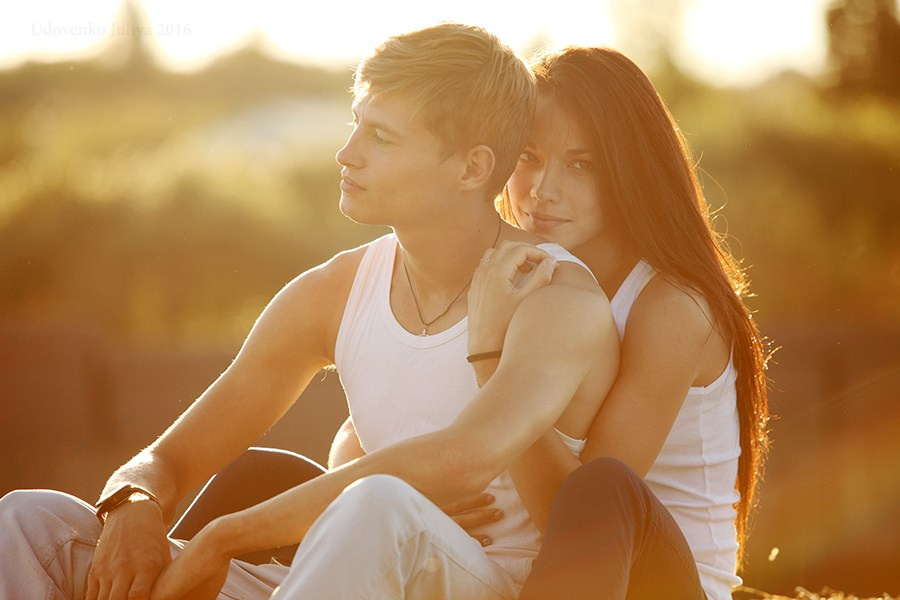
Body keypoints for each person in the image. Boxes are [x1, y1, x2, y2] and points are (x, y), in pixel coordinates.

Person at [0, 24, 620, 600]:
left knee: (377, 507)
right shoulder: (334, 290)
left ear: (472, 167)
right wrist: (133, 503)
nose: (346, 153)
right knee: (29, 522)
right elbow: (171, 457)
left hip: (486, 581)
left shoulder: (552, 293)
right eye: (355, 124)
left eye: (382, 136)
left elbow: (465, 457)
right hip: (336, 576)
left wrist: (224, 535)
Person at [331, 46, 771, 600]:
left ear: (632, 171)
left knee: (602, 486)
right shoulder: (515, 271)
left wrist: (491, 358)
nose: (542, 190)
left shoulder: (671, 308)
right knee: (263, 479)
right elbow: (368, 430)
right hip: (518, 570)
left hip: (652, 582)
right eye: (529, 158)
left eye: (581, 164)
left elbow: (575, 517)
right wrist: (395, 487)